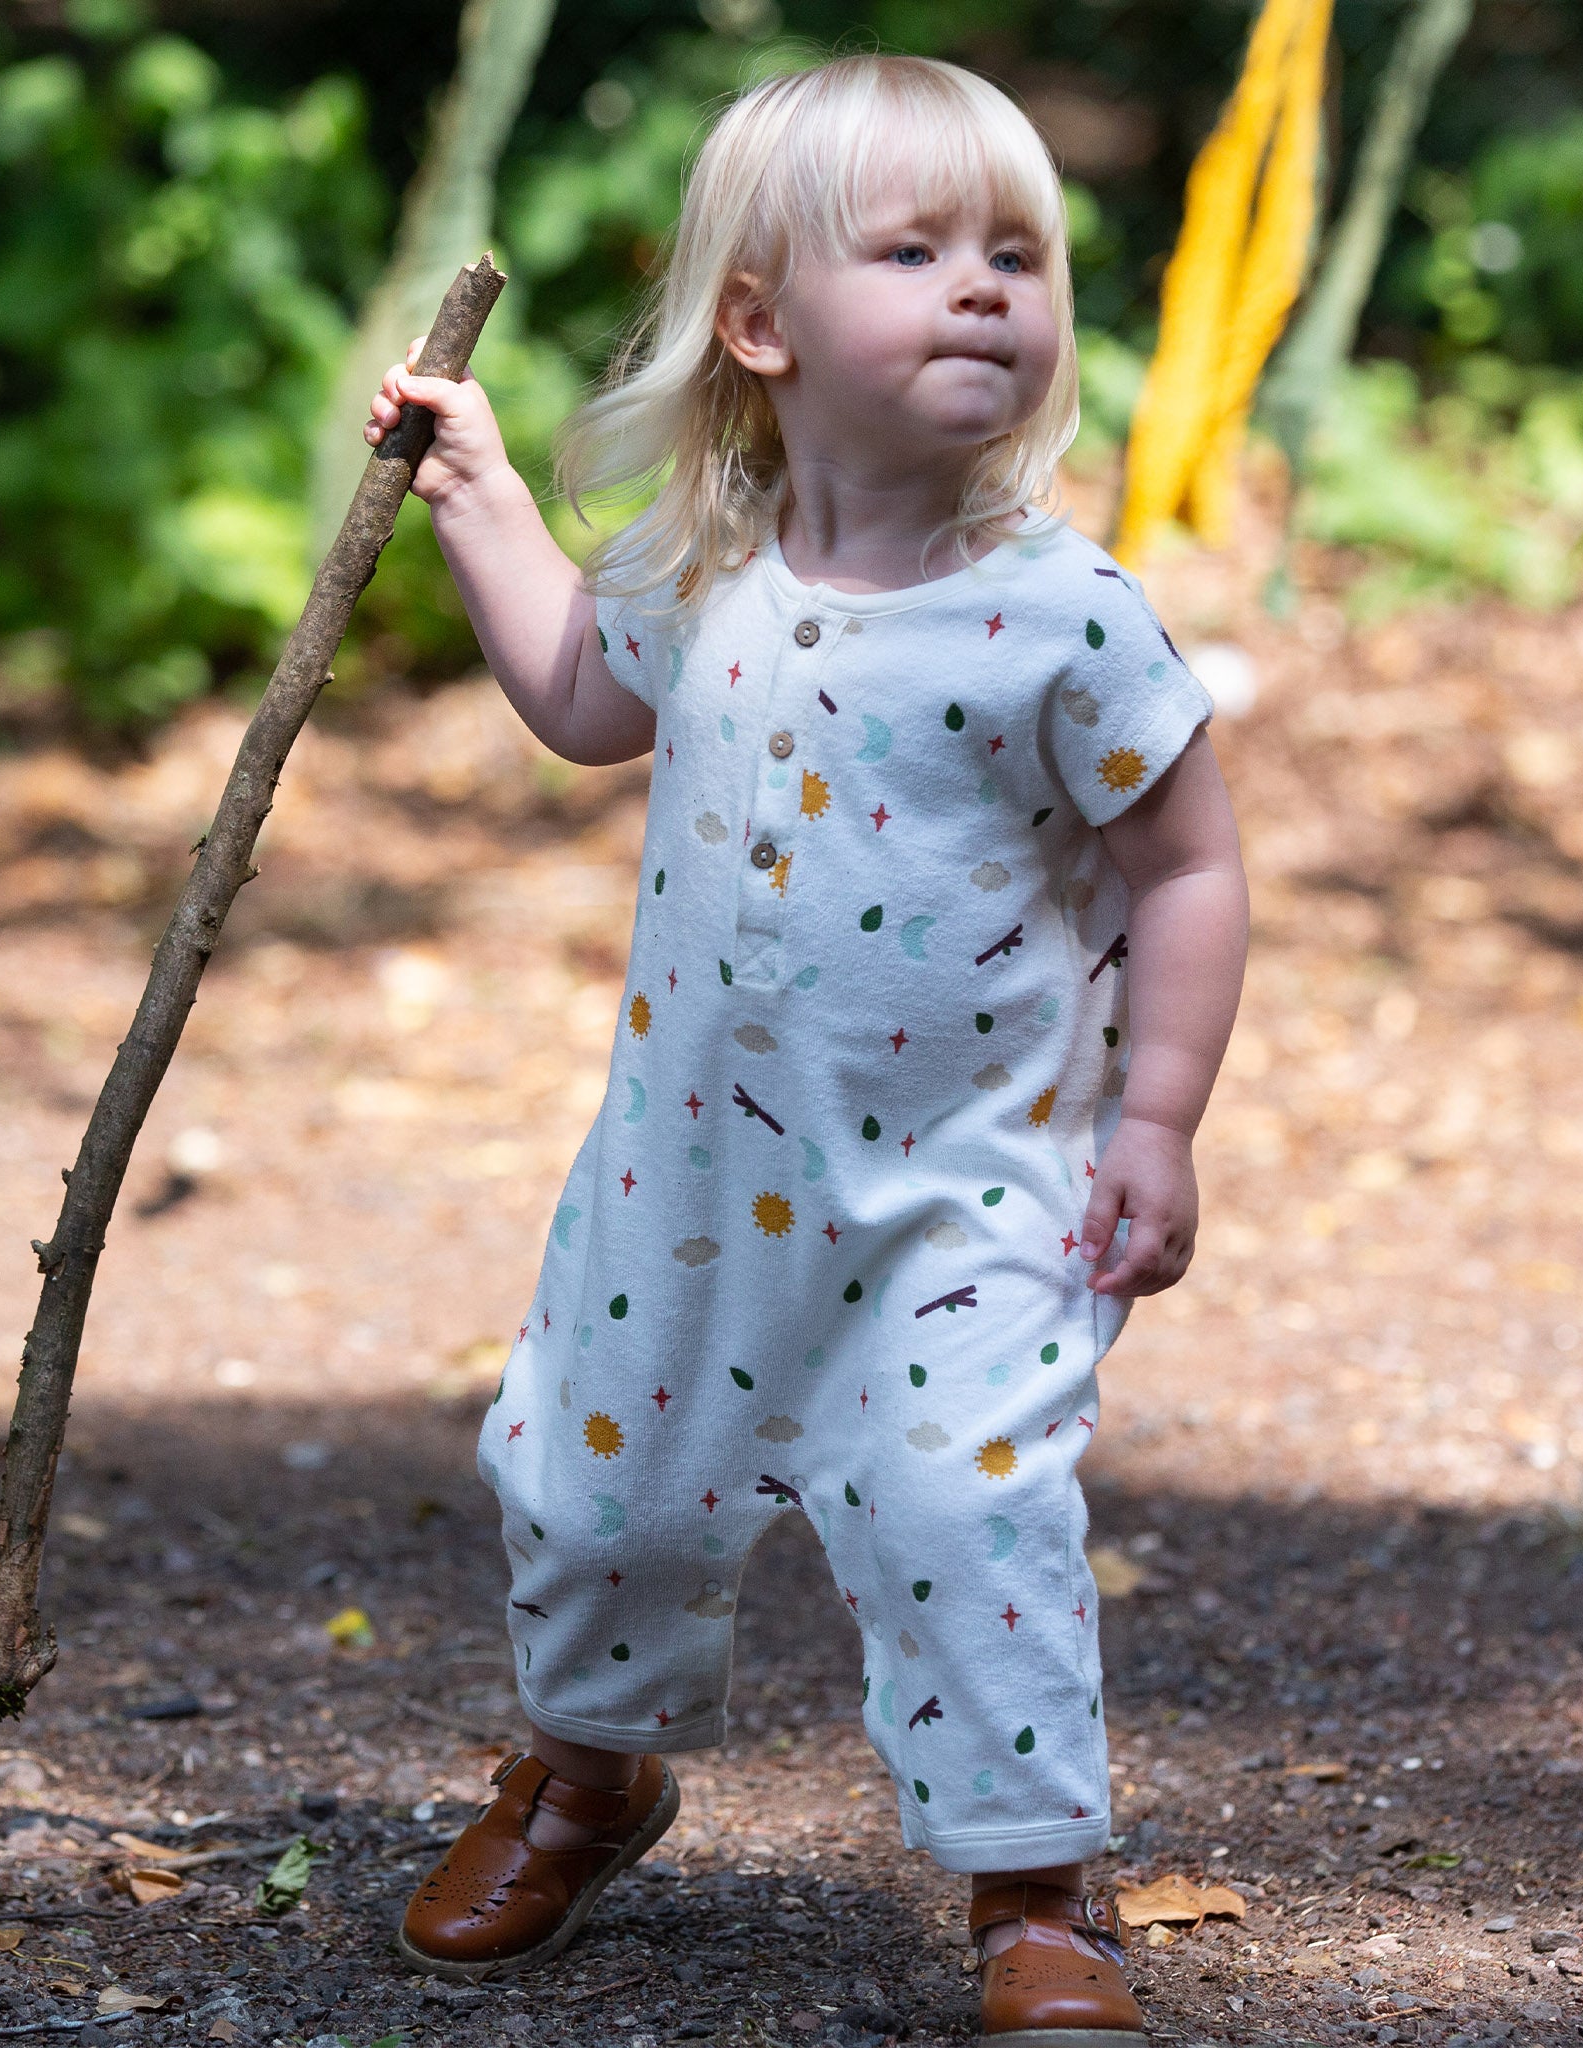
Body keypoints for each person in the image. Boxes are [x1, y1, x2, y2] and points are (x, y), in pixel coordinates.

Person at [365, 52, 1248, 2046]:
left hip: (968, 1194)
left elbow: (1190, 865)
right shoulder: (698, 570)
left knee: (962, 1510)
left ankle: (1036, 1881)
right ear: (758, 324)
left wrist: (1165, 1116)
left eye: (1015, 253)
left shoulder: (1064, 621)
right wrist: (483, 496)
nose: (980, 289)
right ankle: (592, 1772)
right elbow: (587, 702)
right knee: (600, 1500)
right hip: (686, 1188)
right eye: (917, 248)